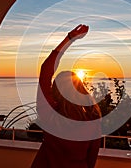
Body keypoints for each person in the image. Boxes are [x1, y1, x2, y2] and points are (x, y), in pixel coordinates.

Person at [31, 24, 102, 168]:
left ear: (57, 90)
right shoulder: (93, 119)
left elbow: (45, 73)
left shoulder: (51, 114)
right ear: (81, 89)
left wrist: (69, 39)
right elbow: (91, 158)